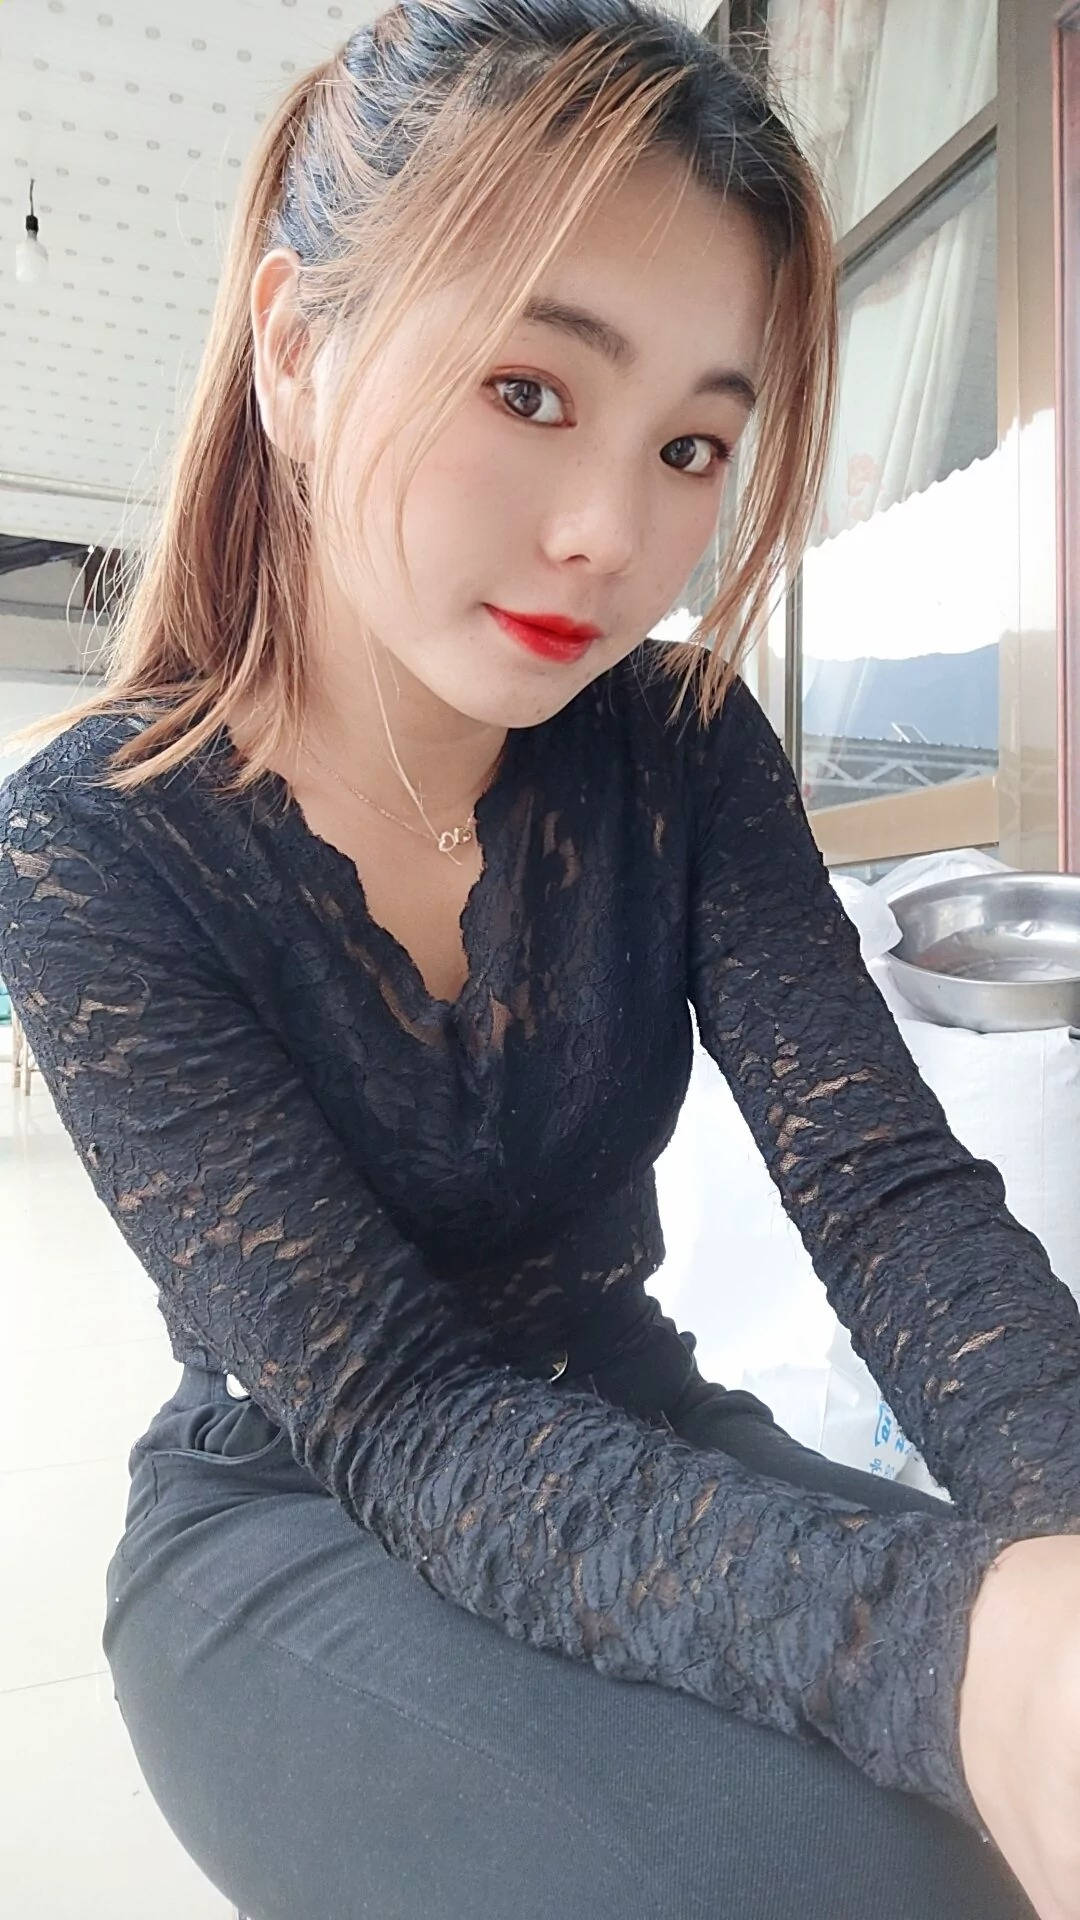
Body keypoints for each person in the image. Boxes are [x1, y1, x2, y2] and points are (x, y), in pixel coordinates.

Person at [2, 3, 1079, 1916]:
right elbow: (398, 1407)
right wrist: (947, 1652)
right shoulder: (91, 844)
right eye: (527, 389)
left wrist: (1060, 1554)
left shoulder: (679, 742)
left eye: (692, 444)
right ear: (295, 348)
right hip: (303, 1505)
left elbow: (882, 1187)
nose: (613, 533)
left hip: (634, 1414)